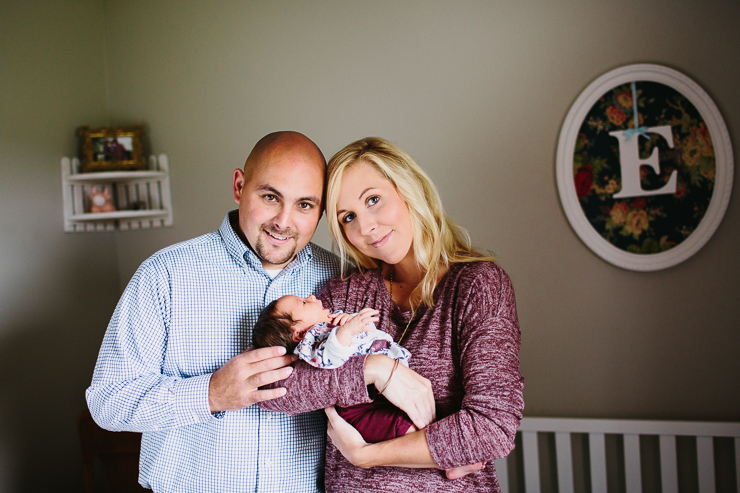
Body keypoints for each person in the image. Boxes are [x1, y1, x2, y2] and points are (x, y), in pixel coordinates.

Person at [87, 131, 435, 493]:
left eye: (305, 205)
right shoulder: (166, 275)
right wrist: (210, 394)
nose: (284, 221)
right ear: (239, 186)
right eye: (270, 197)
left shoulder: (342, 279)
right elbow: (108, 401)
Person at [260, 137, 524, 492]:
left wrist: (366, 455)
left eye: (373, 200)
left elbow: (492, 427)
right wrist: (375, 370)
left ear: (408, 189)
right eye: (348, 217)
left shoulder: (477, 286)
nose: (365, 226)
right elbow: (275, 386)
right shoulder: (346, 293)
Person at [252, 294, 417, 443]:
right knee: (405, 427)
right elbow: (332, 355)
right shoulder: (312, 343)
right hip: (358, 407)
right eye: (303, 302)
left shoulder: (330, 327)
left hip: (379, 392)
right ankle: (434, 453)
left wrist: (350, 321)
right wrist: (347, 330)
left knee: (411, 416)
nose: (311, 297)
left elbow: (368, 337)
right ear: (299, 334)